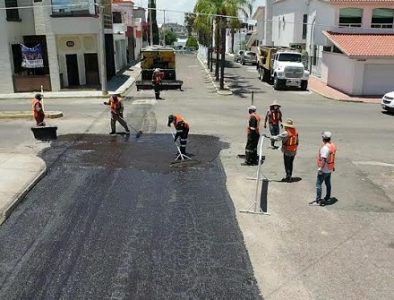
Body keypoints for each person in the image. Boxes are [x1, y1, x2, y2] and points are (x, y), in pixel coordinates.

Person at [315, 131, 337, 206]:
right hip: (330, 168)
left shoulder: (325, 148)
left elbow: (324, 159)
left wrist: (320, 168)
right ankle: (327, 197)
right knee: (328, 183)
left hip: (324, 169)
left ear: (323, 138)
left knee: (318, 184)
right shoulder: (332, 145)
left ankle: (318, 200)